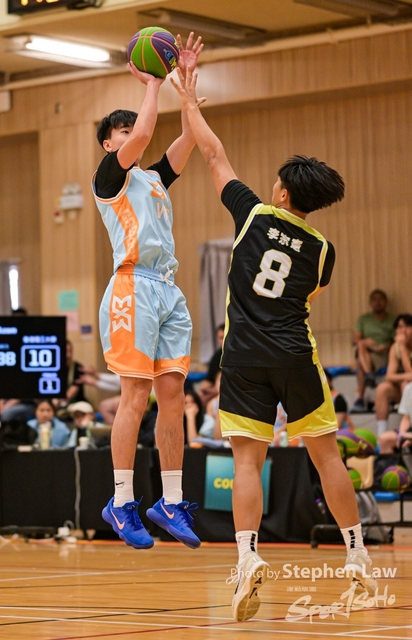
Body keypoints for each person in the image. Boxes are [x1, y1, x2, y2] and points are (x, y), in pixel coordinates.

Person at [171, 66, 377, 621]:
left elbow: (213, 154)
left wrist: (189, 102)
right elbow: (307, 294)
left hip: (242, 356)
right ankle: (357, 556)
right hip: (294, 354)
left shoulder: (252, 214)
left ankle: (246, 558)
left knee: (246, 462)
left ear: (282, 192)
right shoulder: (324, 250)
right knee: (326, 455)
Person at [91, 33, 204, 550]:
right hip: (132, 286)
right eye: (122, 130)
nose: (131, 131)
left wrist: (186, 89)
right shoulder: (109, 177)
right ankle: (120, 502)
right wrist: (154, 83)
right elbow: (145, 130)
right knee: (135, 395)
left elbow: (189, 140)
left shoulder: (153, 178)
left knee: (173, 396)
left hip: (168, 290)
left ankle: (171, 501)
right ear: (109, 144)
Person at [352, 289, 395, 412]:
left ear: (386, 302)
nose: (377, 302)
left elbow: (397, 342)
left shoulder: (392, 320)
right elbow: (355, 340)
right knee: (361, 344)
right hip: (368, 353)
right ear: (370, 302)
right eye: (374, 300)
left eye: (380, 299)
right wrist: (366, 342)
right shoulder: (363, 319)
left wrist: (385, 347)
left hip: (386, 353)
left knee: (359, 363)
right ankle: (369, 376)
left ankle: (361, 397)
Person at [374, 314, 412, 436]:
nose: (403, 331)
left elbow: (409, 371)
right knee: (382, 389)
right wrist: (406, 377)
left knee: (407, 385)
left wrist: (403, 349)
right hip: (404, 390)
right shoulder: (395, 348)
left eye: (407, 326)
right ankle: (381, 434)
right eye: (400, 327)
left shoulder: (401, 347)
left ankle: (408, 430)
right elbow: (390, 376)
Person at [379, 381, 412, 453]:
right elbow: (406, 417)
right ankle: (390, 461)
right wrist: (401, 434)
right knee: (385, 439)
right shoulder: (409, 388)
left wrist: (410, 436)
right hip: (410, 431)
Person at [197, 323, 225, 405]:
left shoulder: (238, 355)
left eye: (224, 337)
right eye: (220, 338)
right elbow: (208, 380)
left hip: (228, 392)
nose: (223, 341)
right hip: (216, 391)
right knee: (198, 397)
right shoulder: (217, 356)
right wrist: (202, 391)